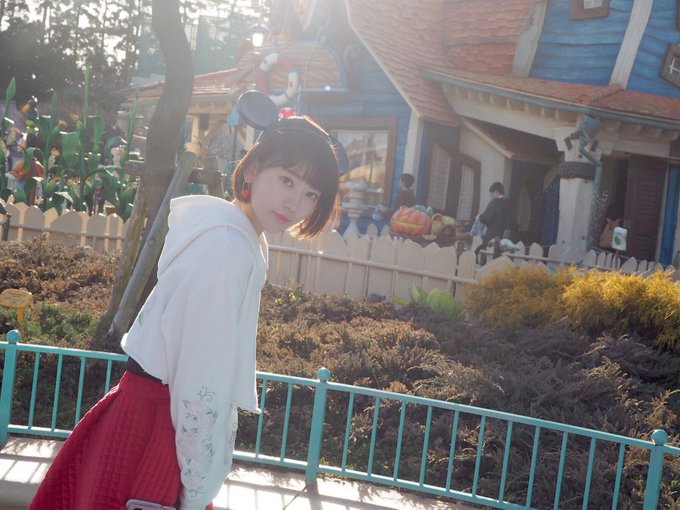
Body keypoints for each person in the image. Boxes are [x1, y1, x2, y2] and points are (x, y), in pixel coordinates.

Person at [29, 114, 341, 510]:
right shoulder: (227, 248)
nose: (294, 203)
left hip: (143, 419)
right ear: (254, 167)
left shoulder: (227, 234)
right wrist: (198, 485)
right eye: (287, 180)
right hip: (157, 434)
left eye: (311, 194)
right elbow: (201, 380)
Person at [475, 182, 512, 258]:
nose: (491, 197)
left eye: (491, 194)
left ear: (495, 192)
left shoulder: (494, 203)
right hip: (504, 237)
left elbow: (487, 218)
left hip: (492, 236)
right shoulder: (508, 203)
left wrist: (480, 217)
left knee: (487, 257)